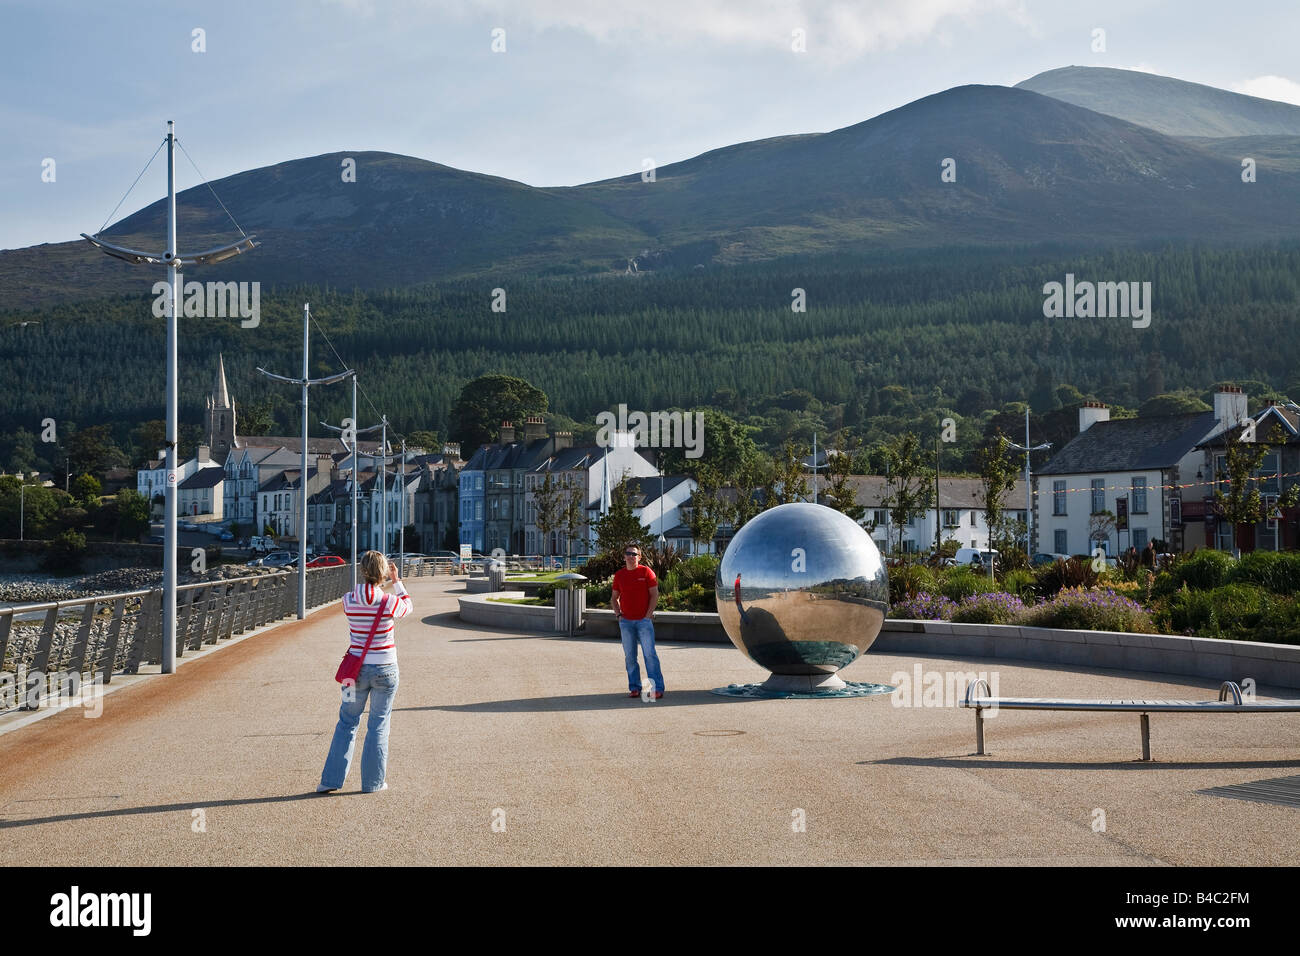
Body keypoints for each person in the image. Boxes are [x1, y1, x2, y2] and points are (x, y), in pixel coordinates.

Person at [317, 550, 412, 793]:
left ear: (362, 570)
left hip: (353, 675)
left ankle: (330, 781)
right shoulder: (389, 602)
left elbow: (359, 602)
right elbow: (408, 607)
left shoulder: (348, 600)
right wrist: (397, 581)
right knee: (378, 725)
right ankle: (373, 783)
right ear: (383, 573)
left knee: (346, 722)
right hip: (385, 672)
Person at [611, 543, 664, 699]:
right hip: (626, 622)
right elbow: (614, 598)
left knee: (650, 655)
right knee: (630, 657)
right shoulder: (619, 575)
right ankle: (635, 688)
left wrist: (648, 615)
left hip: (643, 621)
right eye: (628, 553)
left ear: (639, 557)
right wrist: (618, 615)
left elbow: (655, 595)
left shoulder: (646, 572)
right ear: (624, 556)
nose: (631, 556)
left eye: (634, 554)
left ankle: (656, 689)